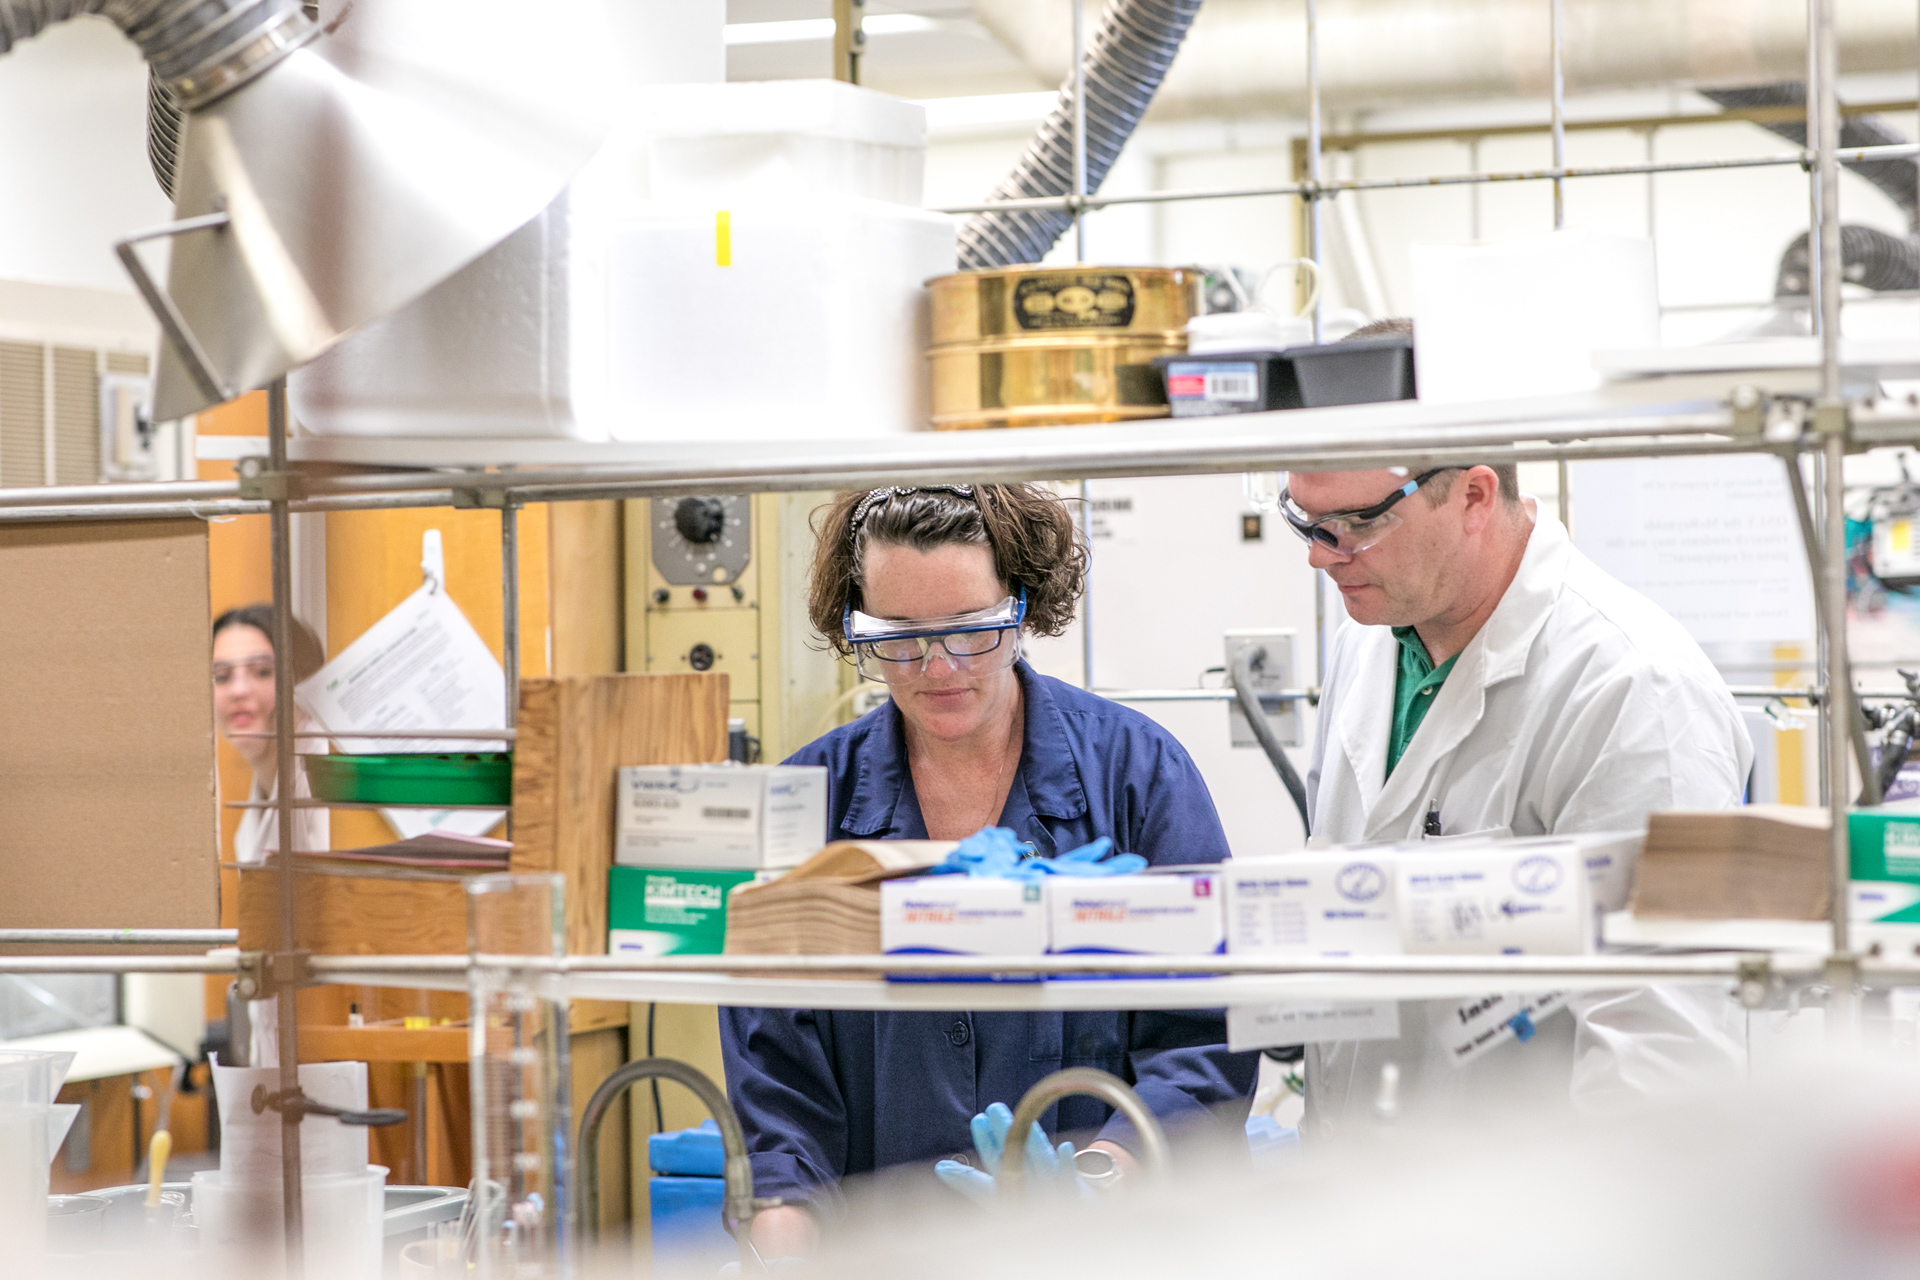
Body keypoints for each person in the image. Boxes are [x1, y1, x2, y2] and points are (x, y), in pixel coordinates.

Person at [721, 484, 1256, 1255]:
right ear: (855, 621)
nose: (936, 667)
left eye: (971, 630)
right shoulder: (809, 803)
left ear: (1021, 606)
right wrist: (781, 1242)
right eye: (897, 636)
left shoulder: (1135, 774)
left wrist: (1103, 1177)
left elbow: (1209, 1036)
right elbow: (777, 1086)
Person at [1280, 445, 1753, 1131]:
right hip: (1361, 1188)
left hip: (1531, 1202)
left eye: (1355, 523)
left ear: (1473, 497)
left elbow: (1664, 1047)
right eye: (1307, 523)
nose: (1322, 557)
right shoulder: (1370, 639)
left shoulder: (1633, 688)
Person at [212, 604, 328, 866]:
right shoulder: (262, 795)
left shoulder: (324, 776)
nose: (239, 690)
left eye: (263, 672)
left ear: (300, 679)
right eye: (222, 677)